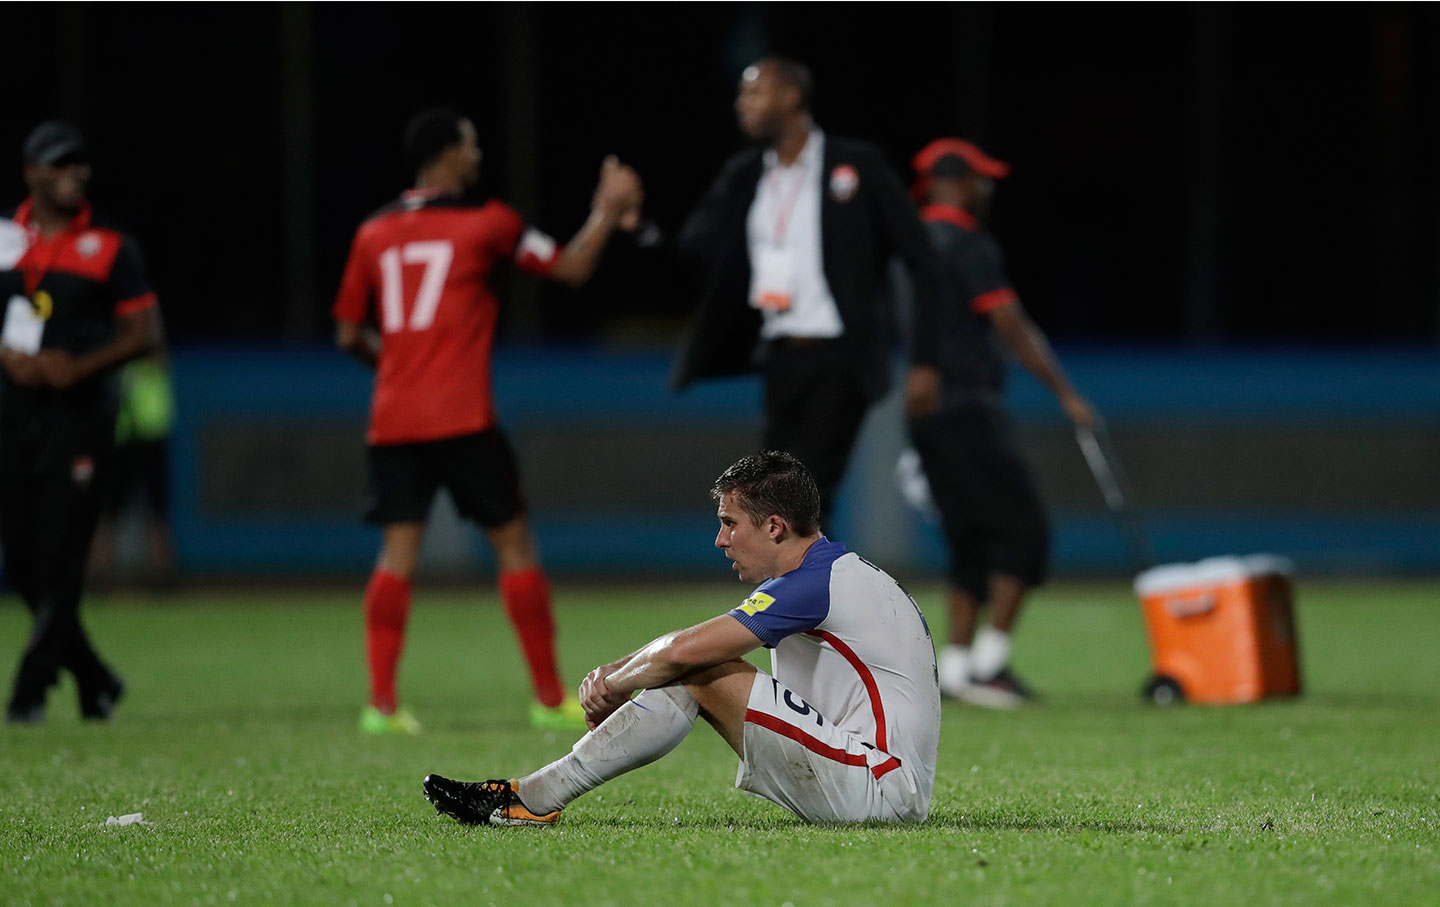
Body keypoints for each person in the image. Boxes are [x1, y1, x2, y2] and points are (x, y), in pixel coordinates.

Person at [422, 450, 940, 826]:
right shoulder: (832, 574)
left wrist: (615, 682)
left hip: (878, 788)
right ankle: (531, 795)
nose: (720, 540)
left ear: (776, 527)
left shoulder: (812, 584)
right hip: (880, 781)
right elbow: (685, 647)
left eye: (729, 523)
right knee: (691, 665)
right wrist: (620, 673)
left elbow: (684, 652)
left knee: (698, 668)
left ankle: (533, 798)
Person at [332, 109, 643, 734]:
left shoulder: (372, 231)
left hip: (393, 417)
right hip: (463, 415)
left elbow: (346, 333)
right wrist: (607, 212)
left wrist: (395, 363)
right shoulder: (488, 223)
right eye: (471, 145)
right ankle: (550, 697)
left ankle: (382, 706)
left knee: (396, 558)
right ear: (447, 155)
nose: (478, 156)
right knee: (515, 546)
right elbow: (571, 268)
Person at [670, 58, 941, 526]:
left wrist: (925, 358)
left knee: (804, 496)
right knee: (775, 499)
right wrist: (637, 226)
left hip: (839, 357)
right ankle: (810, 596)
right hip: (779, 359)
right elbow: (694, 247)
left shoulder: (856, 165)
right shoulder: (747, 174)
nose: (742, 104)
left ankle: (805, 598)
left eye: (754, 92)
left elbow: (921, 258)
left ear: (791, 97)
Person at [904, 137, 1096, 708]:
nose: (986, 190)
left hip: (926, 413)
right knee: (1024, 532)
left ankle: (958, 670)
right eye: (981, 180)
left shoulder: (910, 244)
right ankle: (990, 665)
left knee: (969, 537)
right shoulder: (965, 241)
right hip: (968, 406)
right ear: (958, 183)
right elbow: (1012, 324)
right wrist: (1066, 393)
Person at [1, 121, 164, 723]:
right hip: (15, 413)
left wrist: (82, 366)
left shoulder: (111, 247)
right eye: (60, 163)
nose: (76, 173)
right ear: (32, 172)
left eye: (80, 164)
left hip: (84, 415)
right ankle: (94, 676)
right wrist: (9, 357)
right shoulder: (3, 238)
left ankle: (30, 689)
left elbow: (141, 335)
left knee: (64, 550)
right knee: (21, 556)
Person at [89, 353, 177, 592]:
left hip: (150, 435)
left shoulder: (147, 338)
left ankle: (162, 577)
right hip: (122, 437)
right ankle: (99, 576)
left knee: (157, 509)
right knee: (108, 509)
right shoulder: (112, 342)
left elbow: (159, 359)